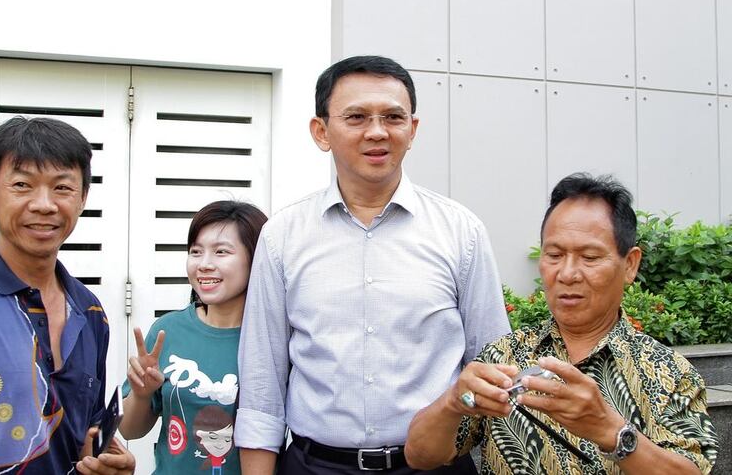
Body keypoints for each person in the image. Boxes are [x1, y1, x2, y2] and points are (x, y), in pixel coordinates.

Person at [235, 55, 510, 474]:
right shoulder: (283, 237)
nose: (377, 132)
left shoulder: (461, 232)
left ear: (412, 130)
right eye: (357, 117)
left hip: (435, 464)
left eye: (393, 117)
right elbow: (262, 384)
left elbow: (492, 366)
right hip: (316, 465)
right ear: (321, 131)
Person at [405, 173, 719, 474]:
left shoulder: (667, 371)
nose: (567, 274)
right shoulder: (503, 358)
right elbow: (420, 456)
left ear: (630, 264)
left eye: (590, 257)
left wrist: (609, 430)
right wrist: (451, 402)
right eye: (554, 255)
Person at [0, 116, 135, 474]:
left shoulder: (89, 311)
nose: (44, 204)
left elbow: (84, 435)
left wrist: (107, 463)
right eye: (22, 185)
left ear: (83, 197)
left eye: (62, 188)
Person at [119, 200, 267, 474]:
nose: (204, 264)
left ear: (257, 258)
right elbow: (130, 430)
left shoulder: (273, 339)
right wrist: (141, 394)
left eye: (221, 252)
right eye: (196, 252)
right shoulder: (169, 330)